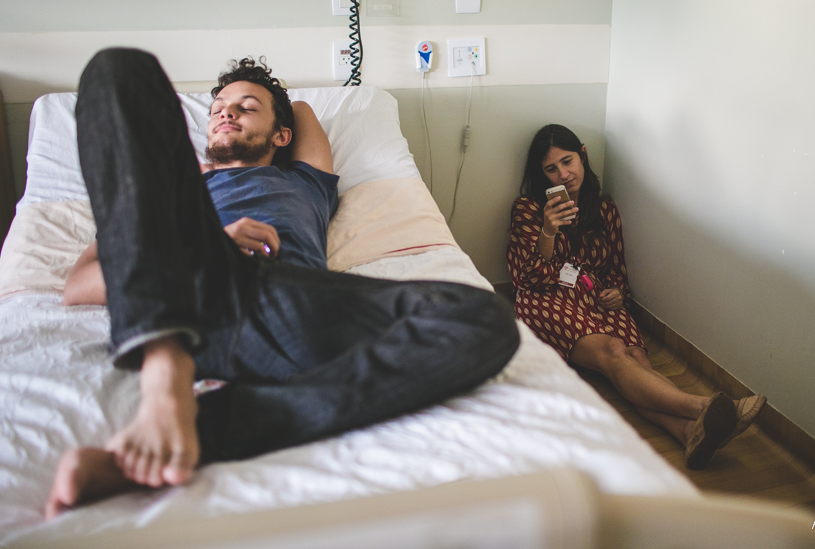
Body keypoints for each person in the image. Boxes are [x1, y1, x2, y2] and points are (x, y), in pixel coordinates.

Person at [46, 48, 519, 518]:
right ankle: (165, 378)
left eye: (245, 107)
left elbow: (307, 112)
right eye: (216, 110)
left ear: (282, 134)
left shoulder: (303, 180)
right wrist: (206, 244)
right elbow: (79, 284)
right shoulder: (170, 192)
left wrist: (266, 98)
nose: (226, 112)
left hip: (285, 300)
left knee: (484, 315)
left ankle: (201, 430)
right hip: (181, 300)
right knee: (117, 67)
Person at [507, 124, 764, 470]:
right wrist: (548, 230)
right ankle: (701, 407)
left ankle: (688, 433)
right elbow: (525, 276)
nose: (563, 174)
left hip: (594, 296)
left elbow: (616, 273)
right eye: (551, 169)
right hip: (547, 296)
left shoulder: (605, 212)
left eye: (567, 161)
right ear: (542, 175)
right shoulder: (528, 209)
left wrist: (617, 293)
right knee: (613, 352)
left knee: (635, 362)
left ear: (583, 154)